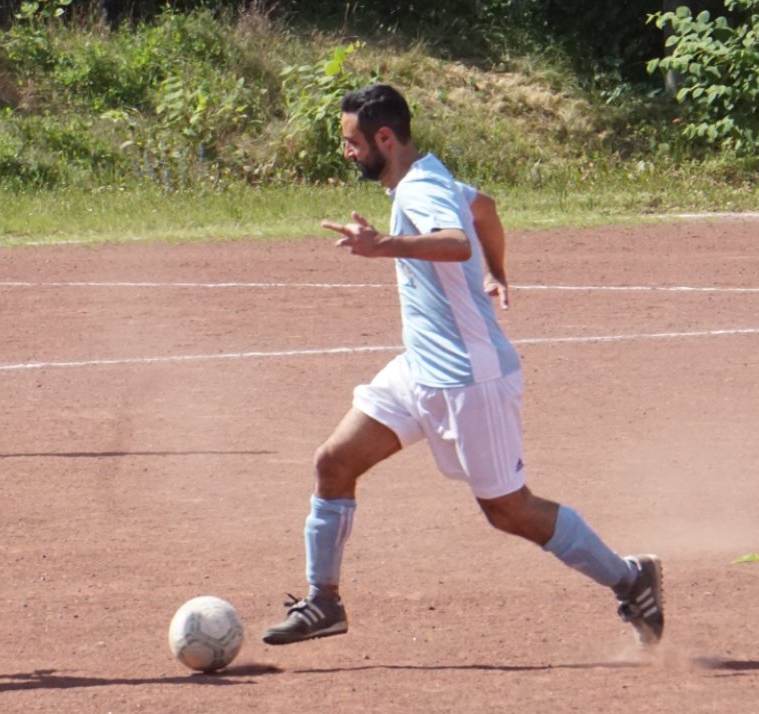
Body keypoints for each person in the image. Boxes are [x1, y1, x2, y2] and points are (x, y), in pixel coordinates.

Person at [261, 83, 666, 649]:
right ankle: (323, 601)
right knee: (334, 461)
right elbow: (485, 209)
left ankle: (630, 578)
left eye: (353, 142)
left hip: (469, 379)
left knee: (508, 510)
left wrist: (384, 246)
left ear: (384, 138)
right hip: (420, 369)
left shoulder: (420, 188)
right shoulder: (429, 177)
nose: (347, 152)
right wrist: (496, 271)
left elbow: (454, 240)